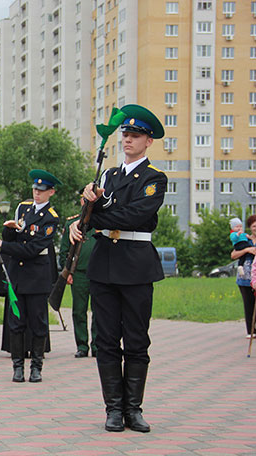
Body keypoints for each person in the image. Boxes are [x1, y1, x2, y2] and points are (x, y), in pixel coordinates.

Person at [69, 103, 167, 433]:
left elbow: (137, 217)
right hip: (104, 266)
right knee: (106, 339)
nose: (127, 139)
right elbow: (87, 217)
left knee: (137, 339)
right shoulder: (108, 176)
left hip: (136, 265)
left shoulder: (154, 179)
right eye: (125, 133)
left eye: (135, 135)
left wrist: (96, 214)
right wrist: (83, 212)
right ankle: (113, 409)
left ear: (148, 141)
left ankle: (133, 409)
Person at [0, 170, 61, 382]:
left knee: (38, 324)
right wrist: (9, 231)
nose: (36, 193)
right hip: (18, 277)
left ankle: (36, 367)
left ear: (51, 192)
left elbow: (32, 249)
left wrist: (4, 245)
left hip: (37, 278)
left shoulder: (51, 218)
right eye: (34, 189)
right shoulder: (24, 210)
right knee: (16, 323)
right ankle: (18, 367)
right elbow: (16, 236)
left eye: (41, 190)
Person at [58, 195, 98, 358]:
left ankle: (97, 345)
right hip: (79, 273)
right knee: (79, 311)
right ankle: (82, 345)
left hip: (99, 273)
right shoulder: (71, 224)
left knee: (99, 311)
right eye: (84, 199)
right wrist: (67, 272)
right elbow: (64, 251)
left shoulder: (101, 223)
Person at [232, 215, 256, 338]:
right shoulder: (244, 239)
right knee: (249, 304)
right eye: (253, 226)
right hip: (245, 277)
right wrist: (248, 250)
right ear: (250, 228)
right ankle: (250, 331)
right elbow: (233, 254)